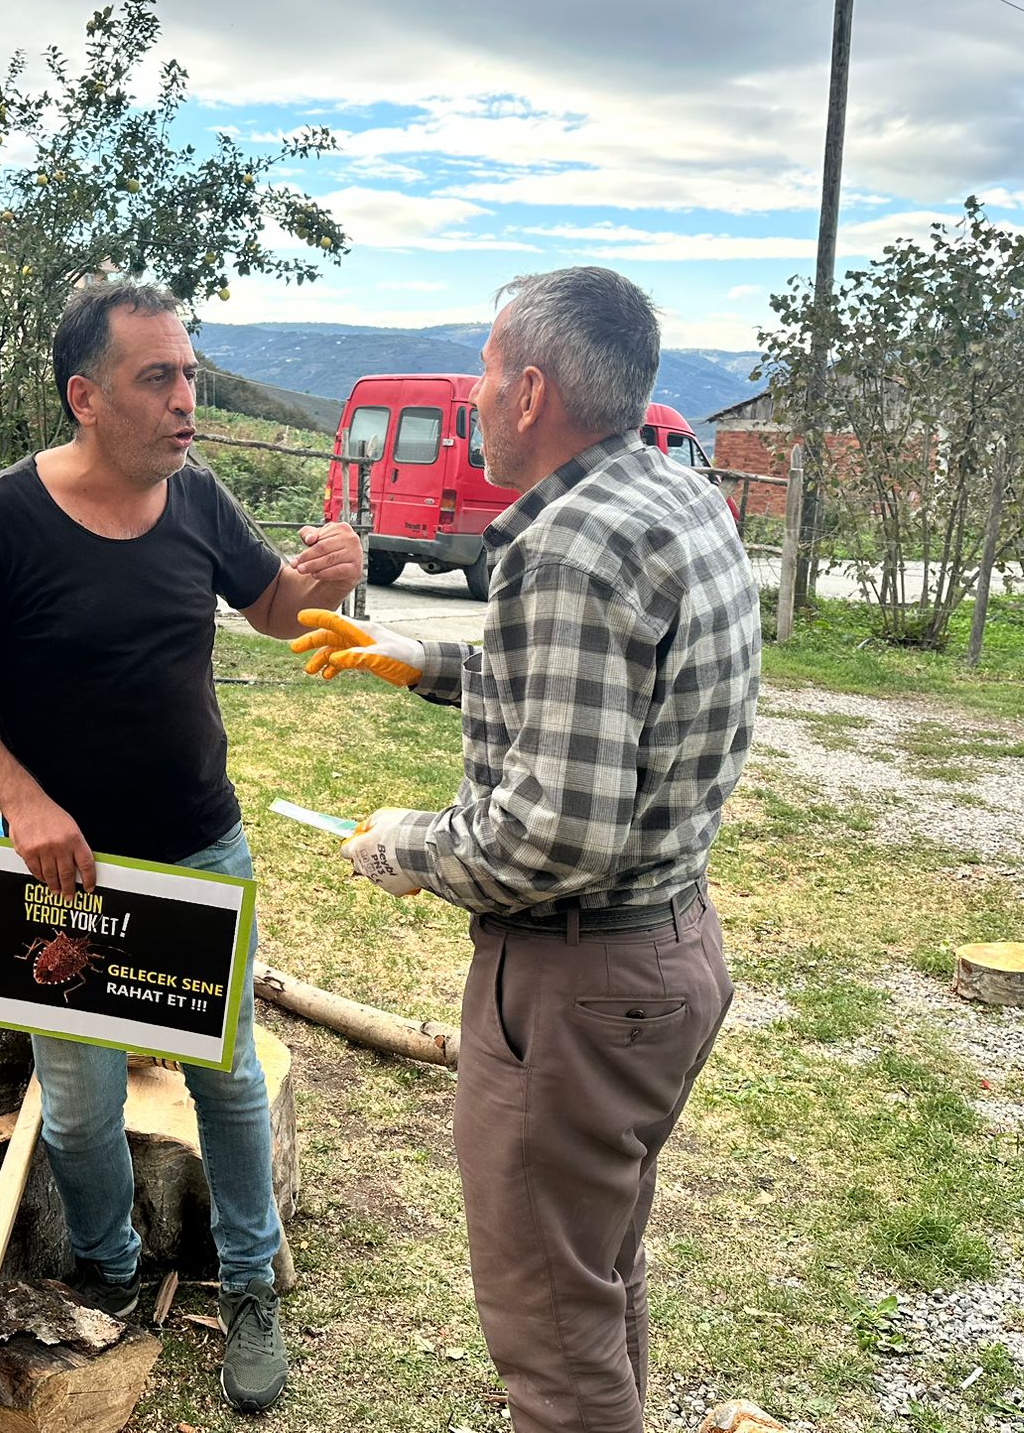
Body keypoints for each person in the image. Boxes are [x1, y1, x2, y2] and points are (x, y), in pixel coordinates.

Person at [293, 266, 760, 1433]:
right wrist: (418, 658)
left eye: (488, 373)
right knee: (589, 1280)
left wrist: (400, 843)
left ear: (531, 389)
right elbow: (599, 697)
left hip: (575, 983)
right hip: (668, 954)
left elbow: (547, 838)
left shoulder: (565, 548)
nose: (478, 397)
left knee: (550, 1339)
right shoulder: (670, 496)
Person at [0, 280, 362, 1414]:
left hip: (199, 847)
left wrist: (328, 583)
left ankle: (251, 1284)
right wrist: (20, 802)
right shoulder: (4, 520)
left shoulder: (195, 496)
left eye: (190, 375)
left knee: (227, 1082)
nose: (184, 402)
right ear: (85, 397)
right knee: (76, 1108)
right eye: (156, 378)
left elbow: (270, 609)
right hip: (65, 873)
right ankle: (106, 1276)